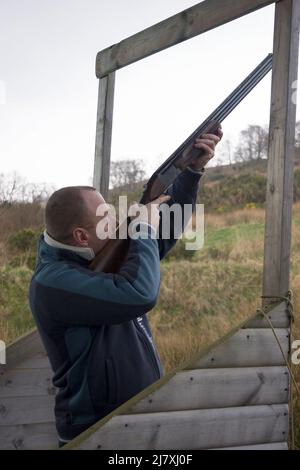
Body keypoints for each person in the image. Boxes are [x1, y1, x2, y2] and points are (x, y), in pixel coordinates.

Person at [29, 128, 222, 446]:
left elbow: (158, 239)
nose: (117, 220)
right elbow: (139, 293)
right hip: (96, 435)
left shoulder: (96, 253)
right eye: (106, 217)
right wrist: (143, 227)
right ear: (81, 236)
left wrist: (191, 173)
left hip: (136, 423)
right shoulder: (52, 283)